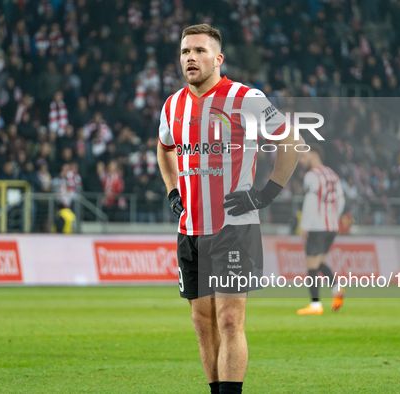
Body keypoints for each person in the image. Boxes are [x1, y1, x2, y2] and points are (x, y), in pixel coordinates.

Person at [157, 24, 301, 394]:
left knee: (231, 321)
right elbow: (164, 147)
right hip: (190, 231)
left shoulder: (245, 99)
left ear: (218, 59)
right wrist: (173, 189)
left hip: (234, 228)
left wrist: (266, 193)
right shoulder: (173, 105)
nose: (191, 57)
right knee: (202, 323)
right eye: (185, 51)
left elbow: (290, 140)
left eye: (200, 51)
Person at [297, 143, 346, 315]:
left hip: (317, 226)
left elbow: (310, 201)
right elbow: (341, 200)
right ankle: (336, 289)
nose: (301, 161)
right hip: (331, 226)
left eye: (303, 156)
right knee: (319, 262)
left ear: (312, 153)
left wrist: (304, 225)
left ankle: (315, 305)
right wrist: (334, 217)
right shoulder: (332, 174)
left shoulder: (312, 176)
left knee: (311, 265)